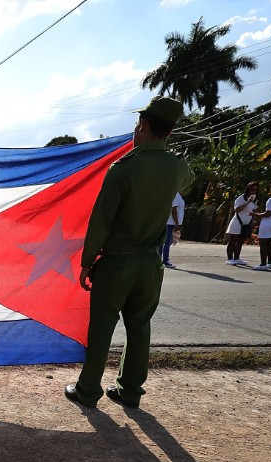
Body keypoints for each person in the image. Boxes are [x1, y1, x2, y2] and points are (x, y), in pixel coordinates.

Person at [65, 96, 194, 409]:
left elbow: (101, 220)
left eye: (138, 125)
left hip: (117, 263)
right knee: (139, 327)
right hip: (152, 264)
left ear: (144, 125)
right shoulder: (177, 167)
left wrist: (87, 261)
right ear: (171, 133)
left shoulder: (123, 169)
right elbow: (187, 182)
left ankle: (87, 390)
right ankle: (130, 390)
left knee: (102, 328)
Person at [225, 182, 257, 265]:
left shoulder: (254, 201)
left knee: (240, 241)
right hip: (237, 222)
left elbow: (253, 210)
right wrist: (248, 202)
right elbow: (237, 210)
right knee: (233, 240)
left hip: (246, 223)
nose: (254, 192)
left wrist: (254, 217)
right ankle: (229, 258)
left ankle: (236, 258)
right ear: (248, 189)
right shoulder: (241, 198)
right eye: (252, 190)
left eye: (256, 190)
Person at [159, 192, 183, 268]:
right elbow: (173, 210)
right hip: (170, 223)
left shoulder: (176, 194)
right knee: (167, 242)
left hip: (170, 222)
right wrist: (177, 223)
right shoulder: (175, 195)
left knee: (164, 242)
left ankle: (159, 258)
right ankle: (165, 260)